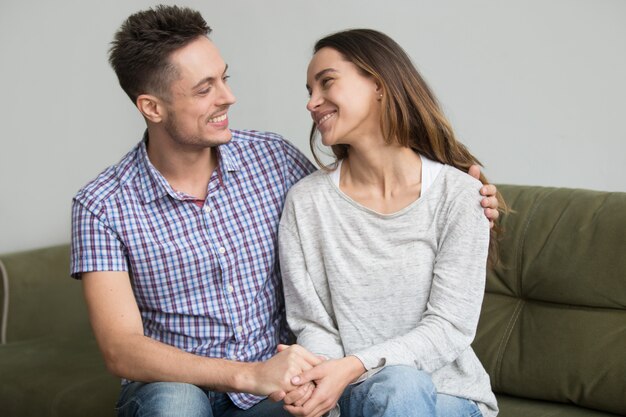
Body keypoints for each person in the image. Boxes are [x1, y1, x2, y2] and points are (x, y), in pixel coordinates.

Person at [70, 6, 500, 417]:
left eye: (224, 79)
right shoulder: (101, 205)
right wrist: (251, 375)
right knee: (177, 404)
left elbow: (364, 193)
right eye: (205, 89)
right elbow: (120, 347)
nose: (229, 97)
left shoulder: (272, 160)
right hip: (190, 383)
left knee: (378, 393)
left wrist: (464, 189)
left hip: (283, 389)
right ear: (152, 107)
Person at [277, 29, 503, 417]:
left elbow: (449, 327)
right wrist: (324, 382)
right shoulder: (306, 202)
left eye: (327, 82)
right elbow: (313, 323)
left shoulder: (461, 196)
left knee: (401, 385)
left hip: (447, 396)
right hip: (349, 395)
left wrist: (355, 366)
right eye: (309, 91)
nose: (312, 103)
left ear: (379, 84)